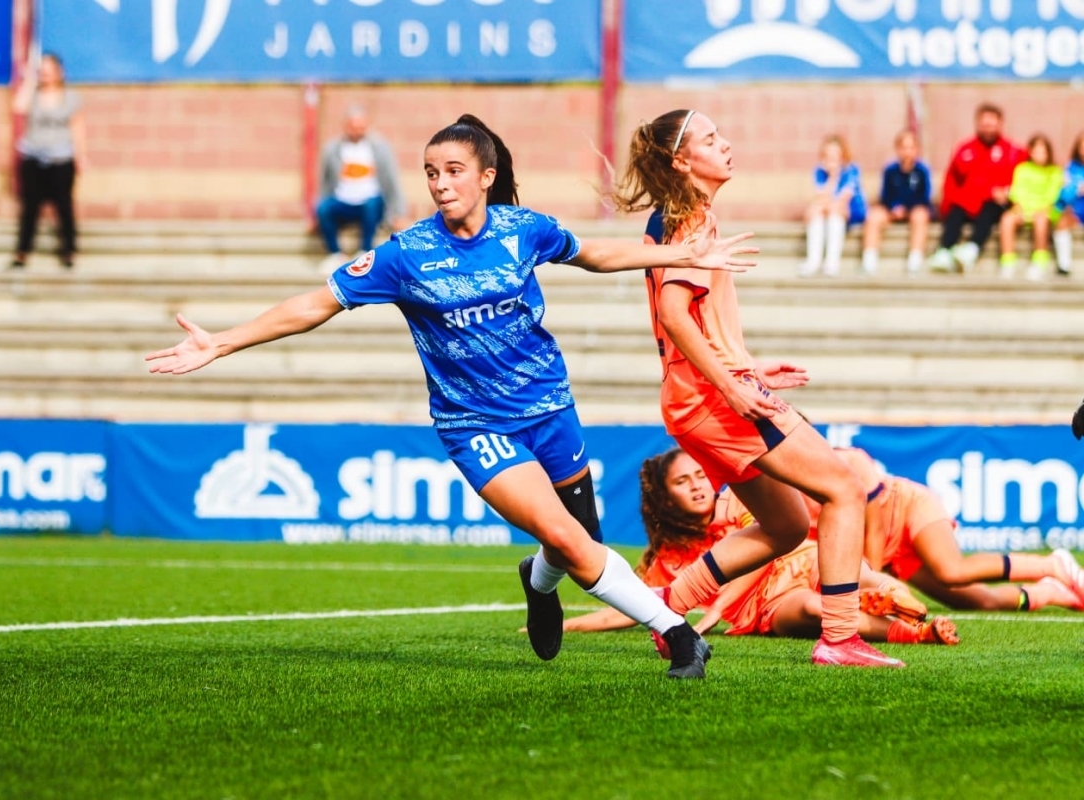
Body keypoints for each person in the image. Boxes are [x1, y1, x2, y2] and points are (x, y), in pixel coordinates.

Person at [146, 114, 759, 680]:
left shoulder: (524, 230)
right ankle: (679, 636)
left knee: (575, 539)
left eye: (453, 171)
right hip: (476, 426)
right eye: (431, 173)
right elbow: (314, 304)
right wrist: (221, 342)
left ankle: (538, 583)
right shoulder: (407, 254)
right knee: (574, 542)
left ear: (487, 177)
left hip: (550, 408)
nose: (440, 184)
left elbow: (592, 254)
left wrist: (678, 252)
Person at [612, 108, 903, 668]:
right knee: (844, 490)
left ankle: (669, 606)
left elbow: (687, 323)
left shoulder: (672, 216)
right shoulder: (691, 217)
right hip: (714, 397)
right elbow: (674, 314)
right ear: (681, 161)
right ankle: (840, 638)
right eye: (710, 139)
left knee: (788, 525)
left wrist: (747, 366)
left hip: (693, 397)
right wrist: (732, 382)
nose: (725, 144)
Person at [560, 449, 957, 647]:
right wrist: (562, 625)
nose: (697, 486)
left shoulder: (737, 502)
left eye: (700, 475)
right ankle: (913, 632)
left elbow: (764, 553)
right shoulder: (666, 561)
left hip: (798, 562)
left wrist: (717, 607)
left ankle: (892, 598)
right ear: (664, 498)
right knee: (814, 608)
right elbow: (630, 606)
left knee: (857, 574)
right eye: (682, 482)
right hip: (765, 607)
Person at [828, 446, 1084, 613]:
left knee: (951, 571)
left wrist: (872, 584)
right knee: (982, 602)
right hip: (890, 557)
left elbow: (875, 527)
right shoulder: (802, 492)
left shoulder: (849, 460)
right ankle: (1049, 592)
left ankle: (1052, 565)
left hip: (908, 509)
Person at [928, 103, 1025, 274]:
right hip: (968, 202)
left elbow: (1025, 178)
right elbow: (952, 180)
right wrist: (946, 206)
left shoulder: (1013, 151)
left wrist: (1009, 194)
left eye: (992, 124)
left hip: (995, 205)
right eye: (984, 124)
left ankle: (971, 249)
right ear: (978, 124)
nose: (988, 129)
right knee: (956, 211)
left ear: (1000, 124)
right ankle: (945, 250)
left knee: (990, 209)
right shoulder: (965, 149)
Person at [11, 52, 87, 269]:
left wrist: (81, 156)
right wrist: (30, 81)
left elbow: (77, 128)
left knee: (64, 205)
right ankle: (22, 251)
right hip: (33, 156)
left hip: (61, 158)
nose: (45, 75)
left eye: (49, 70)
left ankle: (69, 250)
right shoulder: (33, 94)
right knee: (30, 206)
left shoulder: (70, 97)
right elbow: (18, 107)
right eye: (42, 71)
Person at [316, 106, 407, 274]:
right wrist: (315, 214)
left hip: (371, 202)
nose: (357, 131)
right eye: (353, 127)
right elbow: (324, 182)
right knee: (323, 208)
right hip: (343, 201)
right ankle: (336, 254)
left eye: (361, 127)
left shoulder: (379, 147)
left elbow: (391, 181)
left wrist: (398, 213)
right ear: (345, 126)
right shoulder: (332, 149)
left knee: (372, 203)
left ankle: (365, 250)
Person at [859, 129, 932, 276]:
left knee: (920, 216)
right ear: (898, 149)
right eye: (904, 147)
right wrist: (894, 207)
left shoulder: (922, 170)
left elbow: (924, 197)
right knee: (873, 216)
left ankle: (915, 259)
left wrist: (906, 208)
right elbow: (885, 195)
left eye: (911, 148)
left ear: (916, 149)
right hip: (892, 210)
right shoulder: (890, 170)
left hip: (913, 210)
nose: (907, 152)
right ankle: (869, 259)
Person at [997, 134, 1064, 281]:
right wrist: (1018, 208)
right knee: (1007, 219)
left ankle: (1039, 260)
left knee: (1041, 220)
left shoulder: (1055, 171)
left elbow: (1053, 195)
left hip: (1044, 210)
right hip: (1023, 209)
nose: (1039, 155)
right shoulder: (1022, 169)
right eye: (1036, 151)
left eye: (1042, 151)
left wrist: (1042, 210)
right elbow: (1017, 191)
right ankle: (1008, 261)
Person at [798, 134, 866, 277]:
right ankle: (814, 261)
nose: (831, 158)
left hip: (851, 210)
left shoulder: (851, 170)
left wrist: (836, 175)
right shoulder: (819, 171)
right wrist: (832, 177)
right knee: (817, 214)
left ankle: (832, 263)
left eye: (835, 153)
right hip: (828, 209)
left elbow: (843, 200)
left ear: (842, 154)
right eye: (828, 154)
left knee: (830, 213)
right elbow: (821, 197)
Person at [1052, 132, 1084, 276]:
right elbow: (1064, 195)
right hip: (1077, 212)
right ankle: (1064, 265)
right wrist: (1077, 189)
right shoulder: (1071, 168)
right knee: (1061, 222)